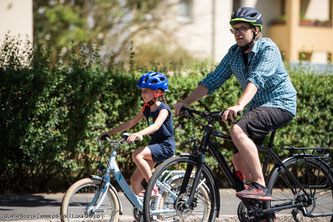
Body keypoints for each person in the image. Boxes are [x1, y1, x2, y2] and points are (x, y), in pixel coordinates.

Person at [174, 7, 297, 201]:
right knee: (238, 159)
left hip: (280, 104)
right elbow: (212, 80)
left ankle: (260, 185)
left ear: (256, 30)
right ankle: (261, 212)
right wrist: (186, 102)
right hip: (257, 108)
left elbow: (257, 79)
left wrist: (238, 105)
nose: (238, 33)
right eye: (235, 29)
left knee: (237, 130)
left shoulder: (268, 48)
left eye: (243, 28)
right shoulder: (234, 54)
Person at [98, 72, 175, 196]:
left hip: (165, 146)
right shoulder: (146, 108)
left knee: (137, 155)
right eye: (142, 90)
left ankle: (153, 188)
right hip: (155, 146)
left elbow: (155, 126)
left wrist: (140, 134)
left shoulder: (164, 109)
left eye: (146, 91)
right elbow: (130, 123)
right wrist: (109, 133)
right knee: (134, 180)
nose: (142, 94)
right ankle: (148, 210)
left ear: (157, 92)